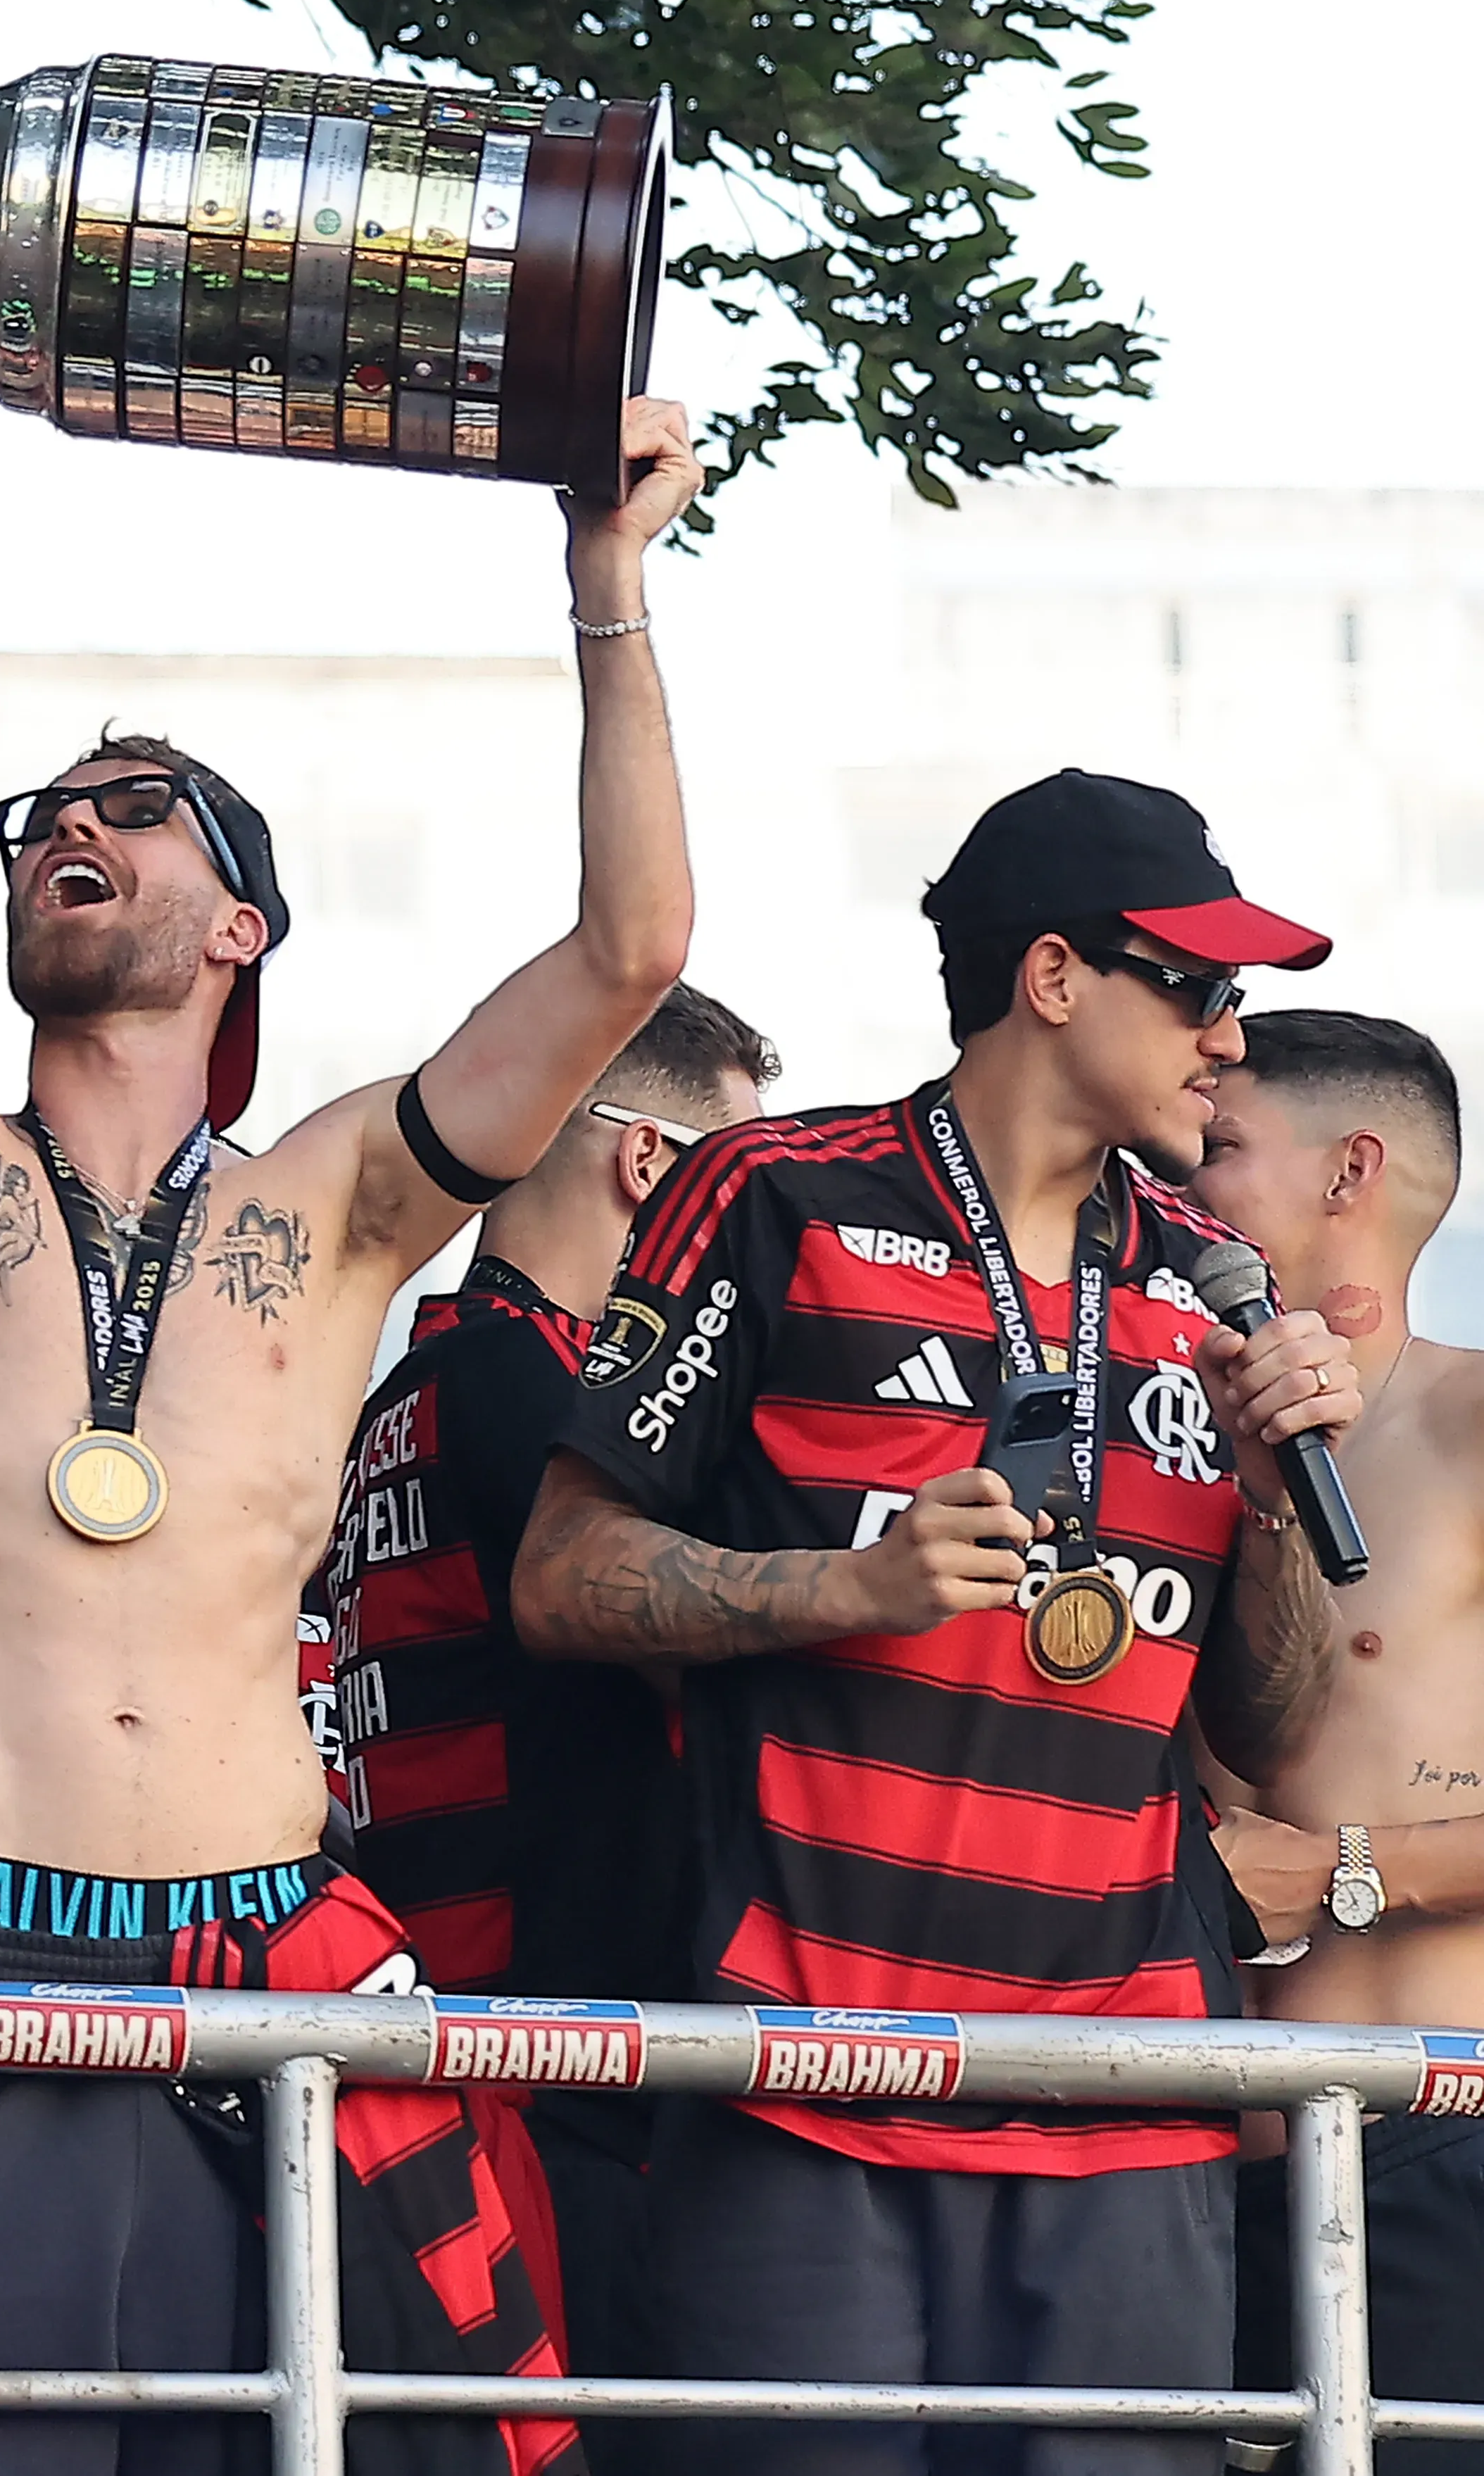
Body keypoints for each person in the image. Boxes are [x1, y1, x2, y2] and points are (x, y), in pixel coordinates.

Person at [0, 158, 696, 2475]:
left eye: (138, 809)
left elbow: (628, 950)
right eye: (51, 801)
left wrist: (605, 588)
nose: (75, 820)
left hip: (280, 1976)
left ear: (240, 925)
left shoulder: (336, 1202)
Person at [516, 770, 1364, 2473]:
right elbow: (558, 1578)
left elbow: (1264, 1726)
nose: (1228, 1040)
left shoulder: (1207, 1275)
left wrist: (1270, 1508)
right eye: (1198, 989)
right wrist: (852, 1586)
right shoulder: (775, 1197)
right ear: (1054, 979)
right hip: (809, 2088)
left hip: (1131, 2110)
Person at [308, 981, 777, 2450]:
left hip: (461, 2048)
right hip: (561, 2077)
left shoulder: (414, 1382)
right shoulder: (533, 1389)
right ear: (653, 1166)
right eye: (739, 1187)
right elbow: (712, 1670)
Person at [1181, 1013, 1484, 2470]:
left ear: (1349, 1172)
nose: (1177, 1174)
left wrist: (1346, 1868)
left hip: (1424, 2146)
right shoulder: (1133, 1446)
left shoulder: (1476, 1426)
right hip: (1165, 2166)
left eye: (1219, 1146)